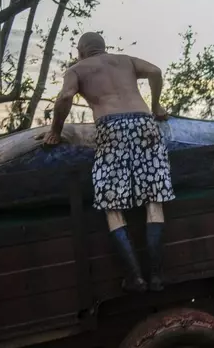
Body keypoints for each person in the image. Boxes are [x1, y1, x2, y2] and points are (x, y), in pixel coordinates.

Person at [38, 32, 175, 293]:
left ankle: (135, 278)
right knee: (153, 199)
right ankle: (156, 276)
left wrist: (55, 130)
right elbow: (156, 71)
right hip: (145, 123)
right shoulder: (124, 60)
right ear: (104, 48)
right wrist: (156, 106)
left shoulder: (77, 68)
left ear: (80, 51)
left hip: (111, 127)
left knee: (112, 204)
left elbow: (66, 97)